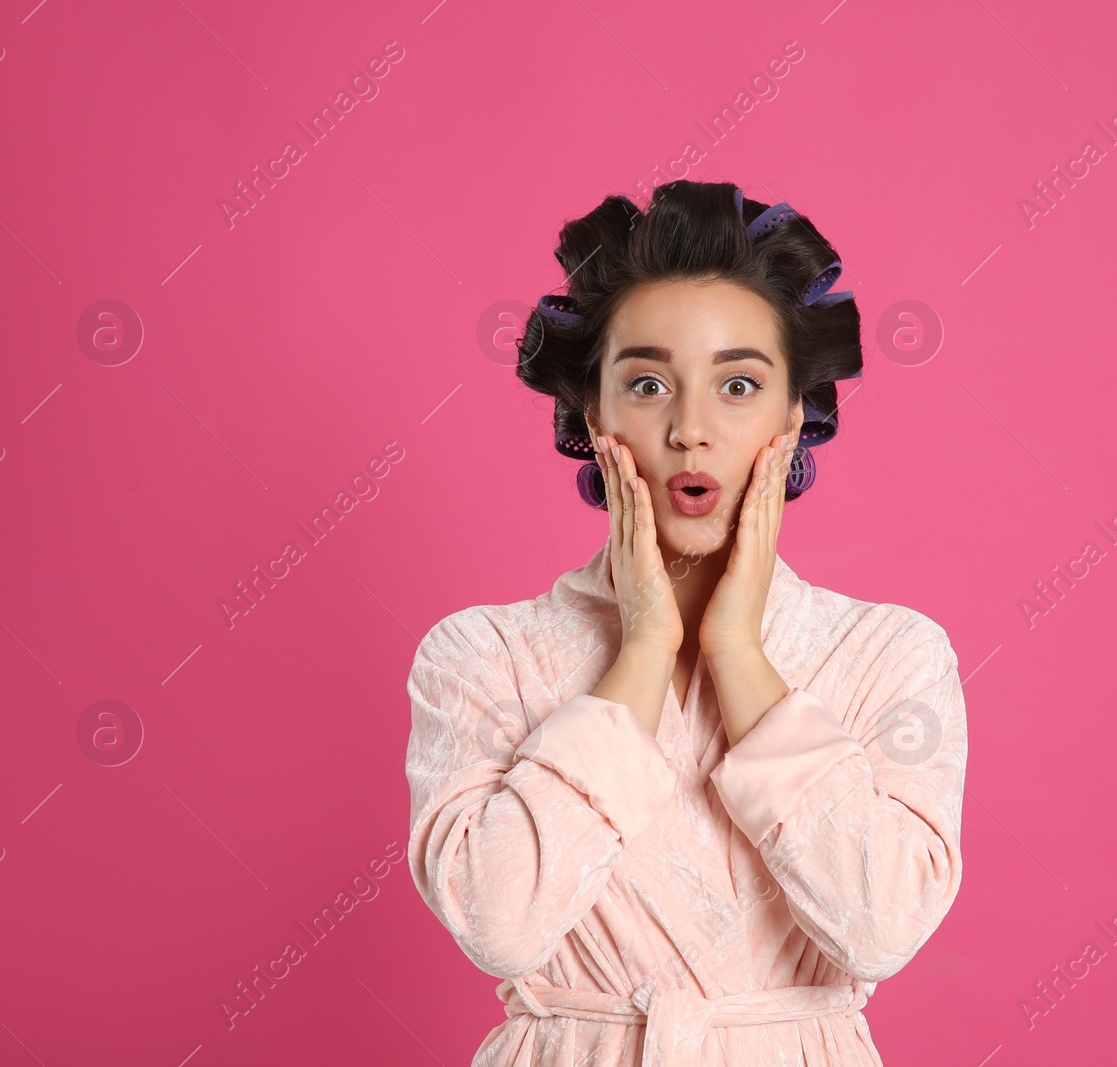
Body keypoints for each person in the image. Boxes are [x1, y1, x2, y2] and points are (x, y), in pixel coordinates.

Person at [404, 179, 967, 1066]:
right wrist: (643, 648)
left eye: (738, 384)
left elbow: (880, 929)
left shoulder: (890, 655)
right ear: (595, 415)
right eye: (649, 383)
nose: (691, 429)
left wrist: (737, 652)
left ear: (794, 415)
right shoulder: (483, 654)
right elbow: (499, 925)